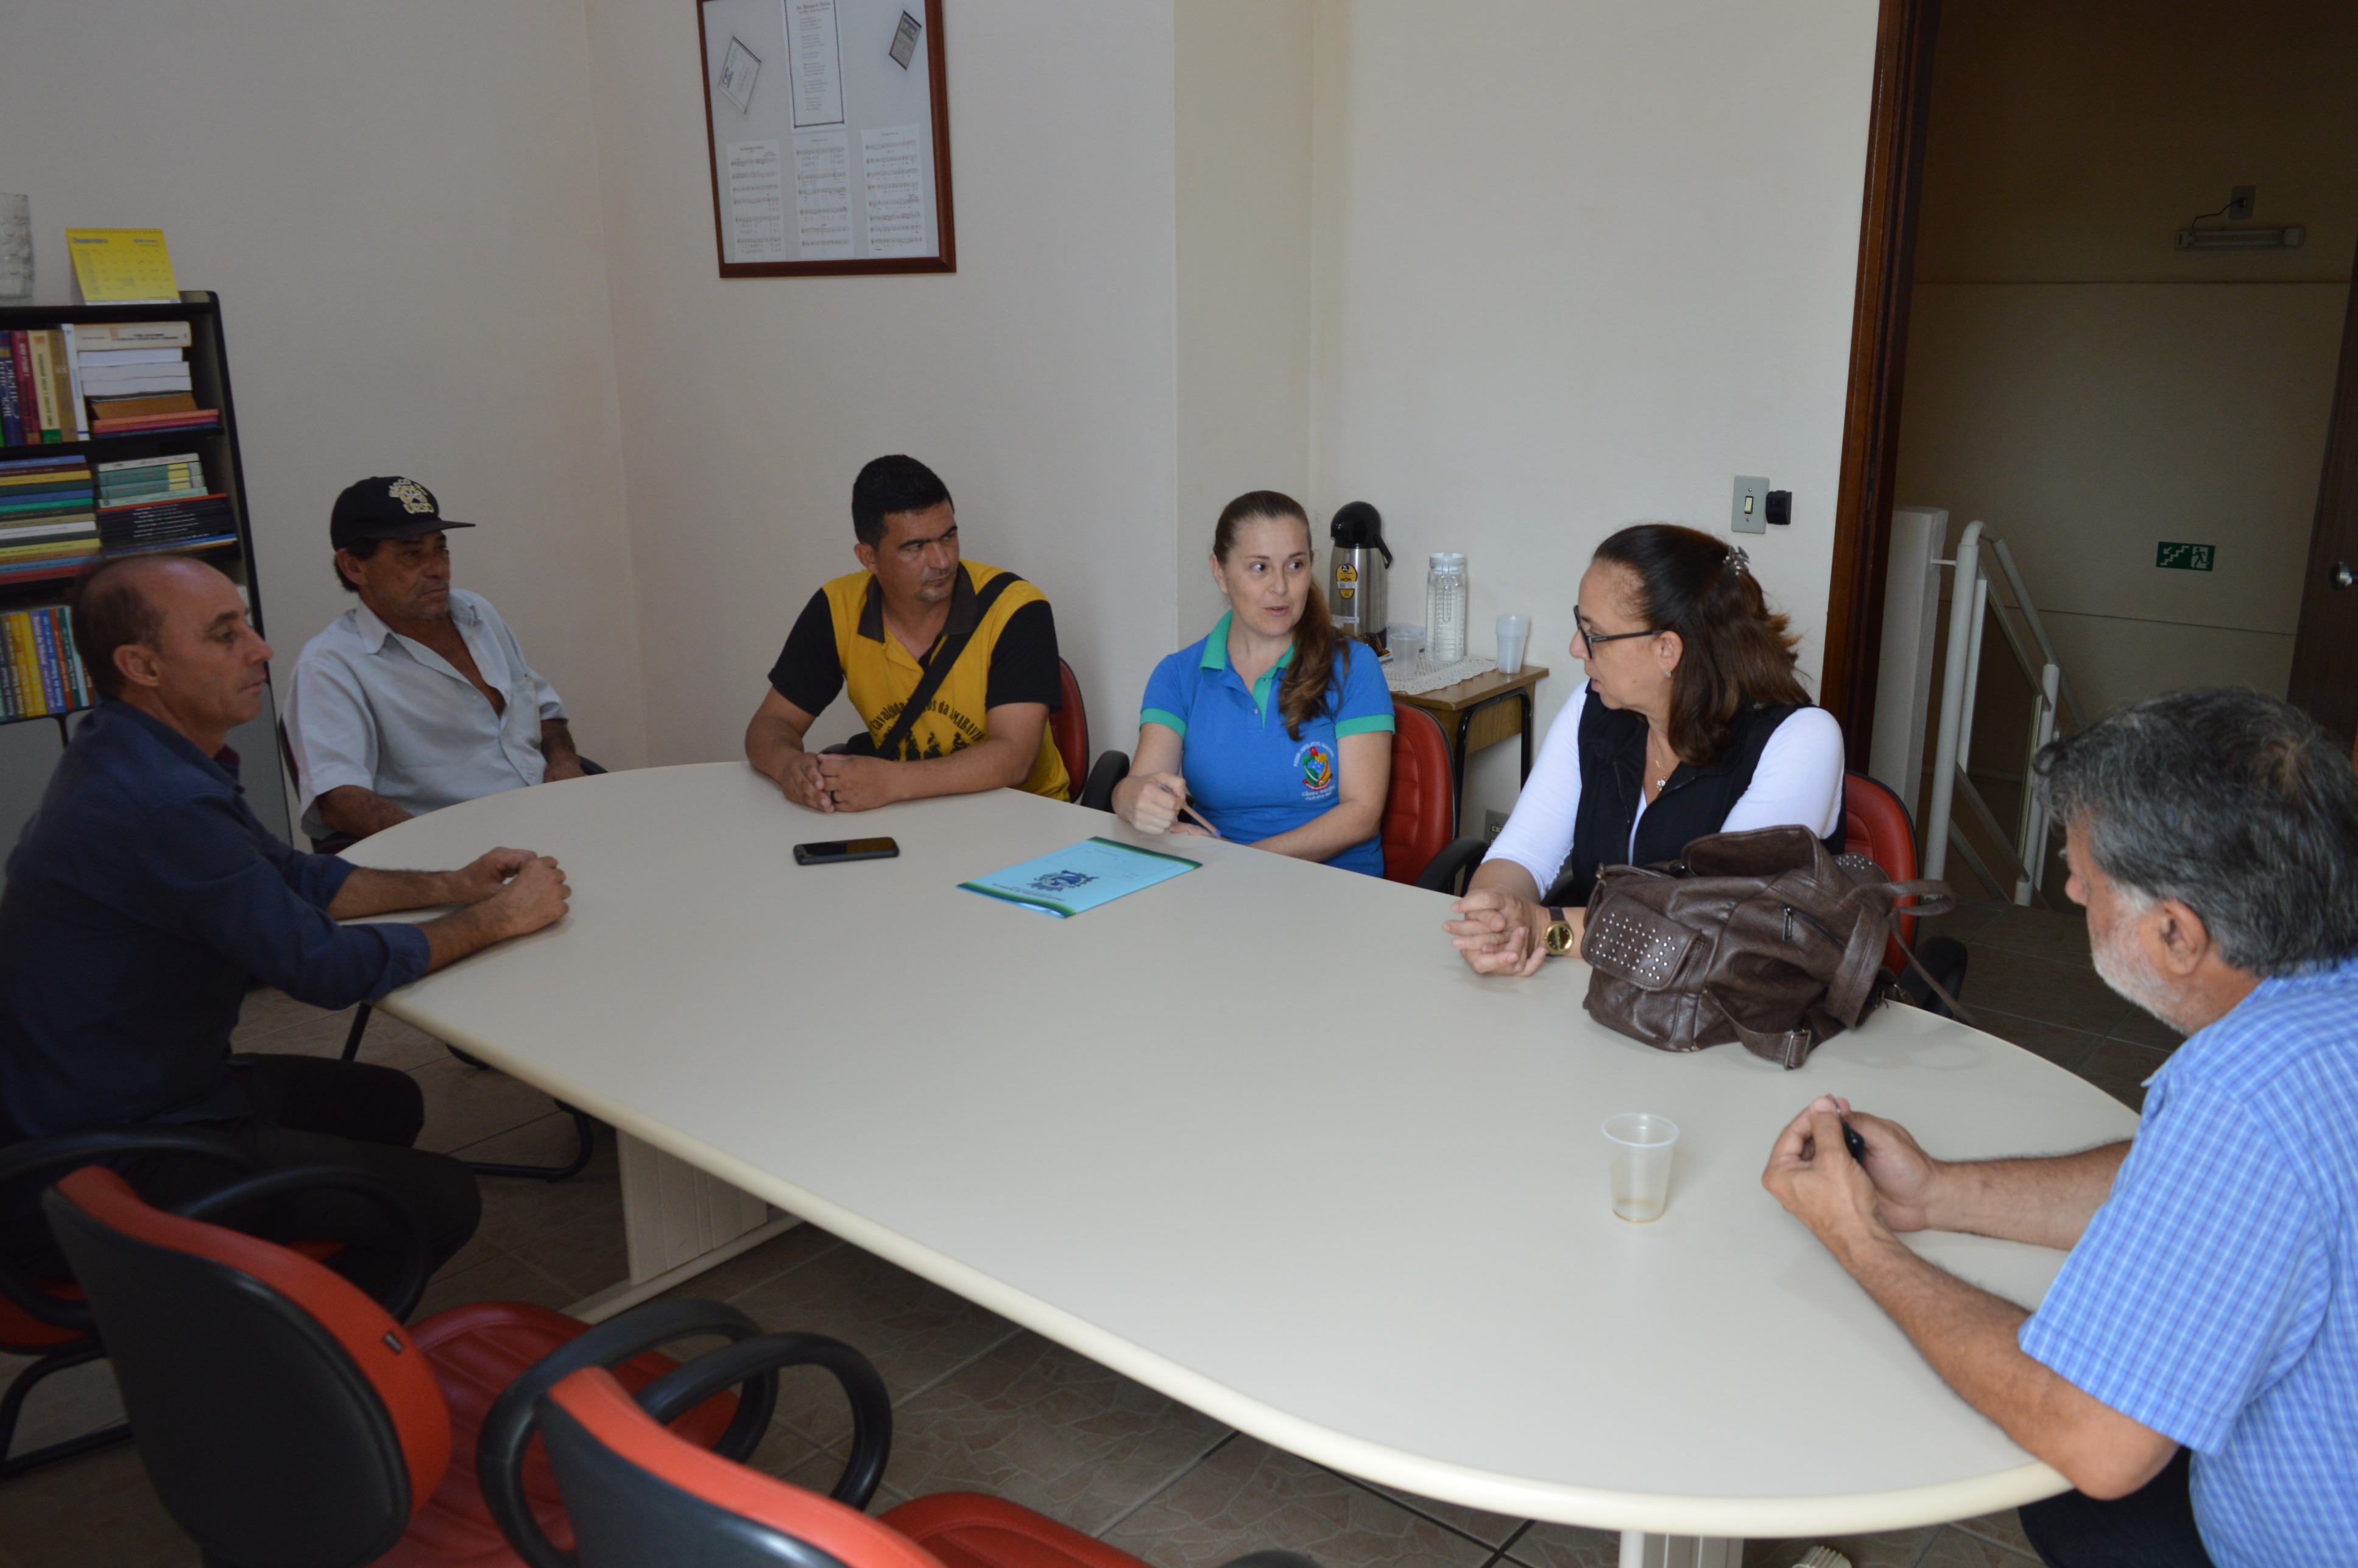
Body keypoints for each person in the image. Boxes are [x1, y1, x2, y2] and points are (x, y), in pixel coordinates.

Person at [1761, 689, 2358, 1568]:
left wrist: (1856, 1237)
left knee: (2078, 1486)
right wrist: (1936, 1195)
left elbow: (2096, 1439)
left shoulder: (2244, 1091)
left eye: (2085, 878)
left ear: (2174, 933)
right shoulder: (2318, 1004)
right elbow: (2195, 1184)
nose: (2071, 888)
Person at [0, 554, 572, 1298]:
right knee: (439, 1199)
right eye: (224, 633)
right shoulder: (159, 804)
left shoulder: (136, 752)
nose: (261, 647)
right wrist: (495, 919)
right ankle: (289, 1363)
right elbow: (322, 968)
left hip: (118, 1088)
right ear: (140, 665)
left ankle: (283, 1268)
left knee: (387, 1102)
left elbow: (292, 875)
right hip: (97, 1157)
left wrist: (450, 884)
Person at [1444, 524, 1841, 974]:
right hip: (1606, 994)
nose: (1576, 648)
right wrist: (1497, 917)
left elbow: (1708, 925)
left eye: (1593, 634)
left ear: (1667, 650)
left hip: (1735, 1020)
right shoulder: (1595, 708)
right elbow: (1521, 855)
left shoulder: (1802, 741)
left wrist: (1545, 930)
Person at [746, 454, 1068, 810]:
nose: (942, 561)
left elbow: (1015, 757)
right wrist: (790, 767)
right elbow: (771, 724)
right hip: (906, 814)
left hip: (1024, 817)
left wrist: (889, 781)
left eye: (949, 537)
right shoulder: (837, 607)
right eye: (915, 547)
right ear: (868, 558)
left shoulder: (1016, 608)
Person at [285, 475, 585, 846]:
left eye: (440, 549)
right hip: (460, 852)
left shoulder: (478, 614)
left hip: (552, 821)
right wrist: (447, 861)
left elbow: (545, 712)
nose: (437, 569)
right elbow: (341, 801)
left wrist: (564, 761)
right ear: (354, 567)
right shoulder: (330, 664)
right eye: (412, 554)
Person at [1112, 491, 1394, 875]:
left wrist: (1241, 860)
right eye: (1259, 568)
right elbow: (1139, 783)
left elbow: (1362, 815)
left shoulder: (1354, 666)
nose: (1280, 587)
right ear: (1220, 572)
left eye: (1295, 565)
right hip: (1218, 884)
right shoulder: (1178, 675)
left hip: (1335, 888)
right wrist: (1132, 798)